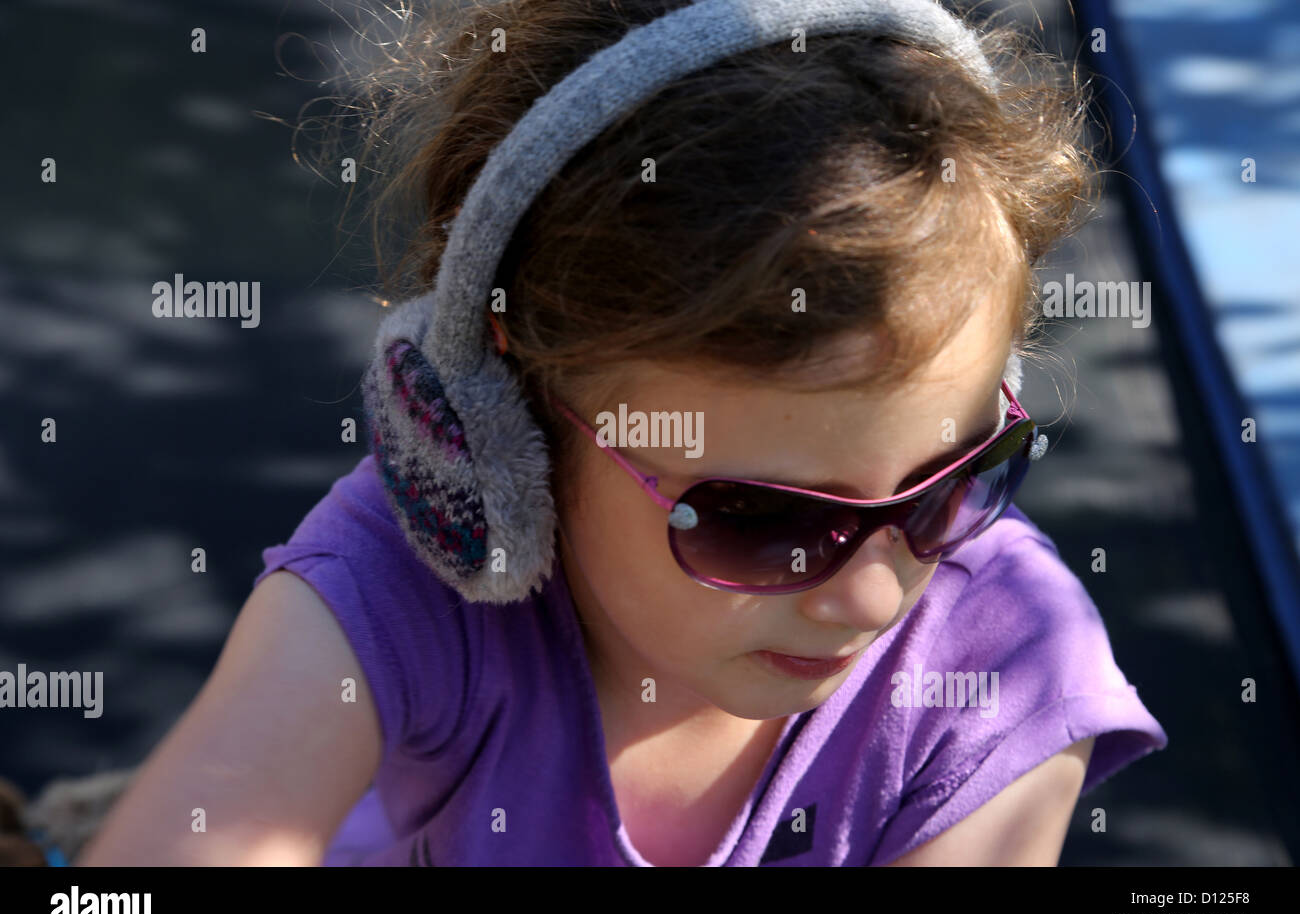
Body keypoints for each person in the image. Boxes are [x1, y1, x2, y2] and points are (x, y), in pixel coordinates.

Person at [77, 0, 1166, 867]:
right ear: (502, 439)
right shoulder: (411, 584)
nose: (873, 598)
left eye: (953, 480)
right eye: (762, 521)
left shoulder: (1006, 658)